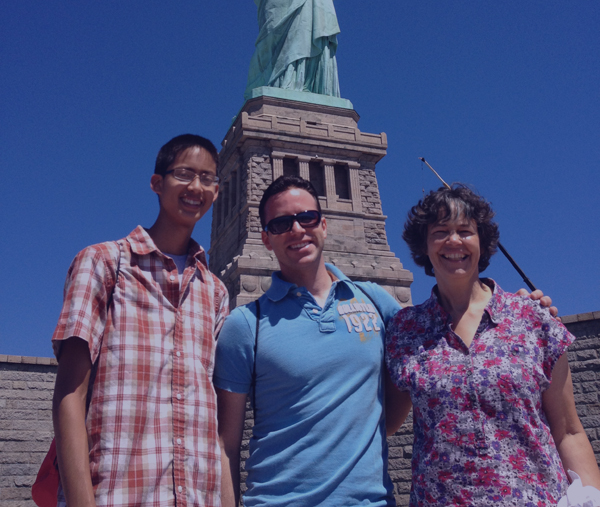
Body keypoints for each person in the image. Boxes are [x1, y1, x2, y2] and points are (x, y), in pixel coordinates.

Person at [213, 176, 555, 507]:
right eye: (281, 224)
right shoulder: (246, 325)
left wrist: (517, 309)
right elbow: (225, 446)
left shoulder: (375, 301)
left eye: (308, 218)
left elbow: (442, 328)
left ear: (323, 225)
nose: (297, 229)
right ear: (266, 238)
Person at [385, 184, 600, 506]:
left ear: (482, 242)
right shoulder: (404, 330)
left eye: (465, 231)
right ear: (424, 246)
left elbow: (569, 431)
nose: (453, 240)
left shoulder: (534, 318)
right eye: (440, 232)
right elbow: (383, 421)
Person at [51, 134, 228, 507]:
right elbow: (69, 394)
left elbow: (215, 422)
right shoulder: (103, 262)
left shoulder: (215, 292)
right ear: (156, 183)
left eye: (207, 178)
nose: (196, 187)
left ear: (216, 191)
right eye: (184, 174)